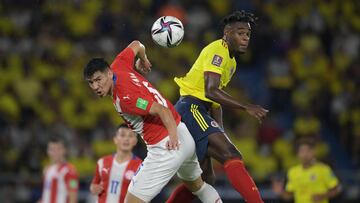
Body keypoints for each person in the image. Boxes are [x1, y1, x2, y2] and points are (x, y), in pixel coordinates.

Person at [83, 40, 223, 203]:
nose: (95, 86)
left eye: (98, 79)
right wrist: (143, 59)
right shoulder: (119, 64)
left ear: (108, 73)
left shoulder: (125, 98)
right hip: (183, 134)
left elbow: (160, 110)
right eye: (91, 82)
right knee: (198, 186)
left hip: (166, 146)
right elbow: (136, 44)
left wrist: (173, 138)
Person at [167, 10, 268, 203]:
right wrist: (246, 106)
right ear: (227, 33)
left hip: (197, 110)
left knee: (205, 179)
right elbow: (210, 91)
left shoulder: (231, 61)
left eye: (247, 34)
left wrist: (220, 130)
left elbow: (215, 102)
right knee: (231, 154)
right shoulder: (217, 50)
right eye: (240, 33)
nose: (245, 38)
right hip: (191, 108)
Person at [272, 138, 341, 203]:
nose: (305, 154)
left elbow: (337, 189)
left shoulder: (324, 169)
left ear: (314, 152)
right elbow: (290, 196)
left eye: (308, 151)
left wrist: (323, 196)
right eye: (302, 151)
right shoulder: (293, 172)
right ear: (298, 154)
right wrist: (281, 192)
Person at [90, 124, 142, 203]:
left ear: (135, 141)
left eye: (130, 136)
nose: (126, 139)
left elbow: (143, 195)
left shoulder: (141, 166)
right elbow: (94, 185)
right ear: (115, 139)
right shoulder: (102, 162)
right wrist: (93, 188)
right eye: (122, 135)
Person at [39, 137, 79, 203]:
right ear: (48, 151)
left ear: (64, 150)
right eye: (51, 149)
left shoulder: (70, 171)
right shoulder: (47, 170)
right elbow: (46, 195)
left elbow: (73, 196)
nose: (54, 152)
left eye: (58, 149)